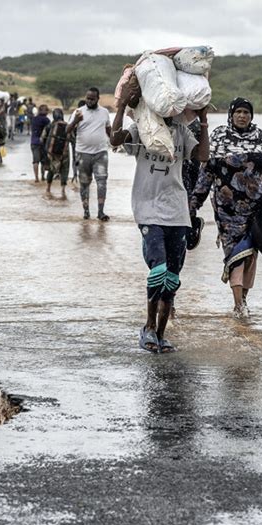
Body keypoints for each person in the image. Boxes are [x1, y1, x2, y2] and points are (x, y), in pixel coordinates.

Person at [110, 82, 209, 353]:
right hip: (147, 208)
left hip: (177, 211)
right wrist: (120, 106)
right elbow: (115, 140)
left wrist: (202, 120)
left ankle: (162, 334)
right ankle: (148, 328)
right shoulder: (141, 127)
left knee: (172, 278)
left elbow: (202, 155)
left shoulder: (180, 131)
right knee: (158, 271)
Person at [189, 97, 262, 320]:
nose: (242, 116)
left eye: (246, 112)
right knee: (236, 254)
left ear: (251, 116)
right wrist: (194, 203)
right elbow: (206, 170)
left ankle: (243, 298)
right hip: (227, 211)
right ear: (231, 114)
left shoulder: (261, 137)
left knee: (251, 256)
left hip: (256, 208)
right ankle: (238, 304)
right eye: (238, 111)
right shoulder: (218, 136)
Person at [67, 87, 111, 220]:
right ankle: (86, 211)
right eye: (87, 98)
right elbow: (67, 130)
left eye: (92, 99)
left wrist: (115, 142)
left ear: (98, 99)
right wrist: (76, 121)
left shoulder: (104, 112)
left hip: (101, 153)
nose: (89, 101)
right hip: (82, 153)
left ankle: (101, 212)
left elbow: (109, 129)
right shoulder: (78, 112)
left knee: (102, 182)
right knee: (84, 183)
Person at [41, 108, 70, 198]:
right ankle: (63, 191)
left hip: (51, 153)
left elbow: (42, 138)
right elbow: (73, 139)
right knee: (64, 171)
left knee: (51, 170)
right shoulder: (68, 126)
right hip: (65, 153)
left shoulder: (50, 126)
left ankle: (48, 189)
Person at [30, 104, 50, 182]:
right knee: (43, 161)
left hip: (33, 142)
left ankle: (36, 178)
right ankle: (42, 176)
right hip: (43, 143)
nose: (47, 111)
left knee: (35, 161)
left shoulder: (34, 119)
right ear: (44, 111)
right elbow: (49, 131)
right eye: (47, 110)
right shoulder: (46, 120)